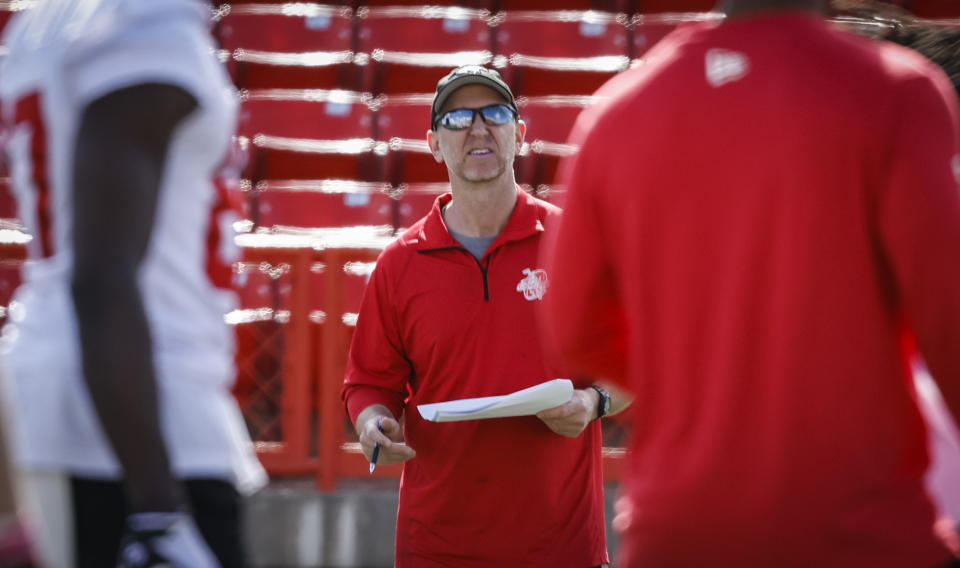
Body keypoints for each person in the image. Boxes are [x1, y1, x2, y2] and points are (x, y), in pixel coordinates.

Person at [539, 0, 960, 565]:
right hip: (857, 528)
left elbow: (572, 327)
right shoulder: (897, 92)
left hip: (678, 531)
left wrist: (709, 389)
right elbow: (948, 320)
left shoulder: (616, 113)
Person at [0, 1, 266, 566]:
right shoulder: (144, 24)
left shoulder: (47, 21)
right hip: (135, 419)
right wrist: (156, 513)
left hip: (87, 401)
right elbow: (102, 278)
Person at [341, 65, 630, 568]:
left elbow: (636, 361)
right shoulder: (399, 263)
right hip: (437, 548)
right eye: (457, 118)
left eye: (494, 114)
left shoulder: (574, 241)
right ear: (434, 144)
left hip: (562, 548)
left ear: (518, 135)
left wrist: (594, 401)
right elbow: (368, 384)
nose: (478, 129)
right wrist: (373, 426)